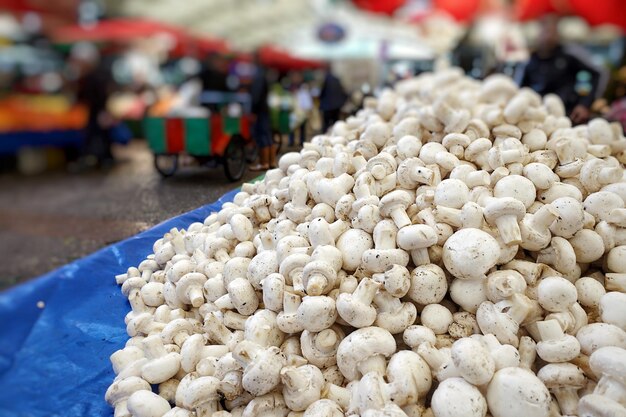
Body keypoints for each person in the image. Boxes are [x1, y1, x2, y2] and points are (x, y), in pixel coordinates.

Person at [517, 14, 603, 125]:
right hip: (538, 120)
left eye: (553, 32)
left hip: (568, 117)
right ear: (538, 33)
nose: (549, 36)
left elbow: (594, 75)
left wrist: (584, 104)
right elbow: (521, 90)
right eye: (546, 31)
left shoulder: (568, 56)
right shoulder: (530, 61)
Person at [72, 42, 115, 167]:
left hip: (98, 111)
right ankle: (102, 158)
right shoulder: (90, 75)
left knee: (99, 134)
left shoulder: (95, 76)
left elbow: (98, 95)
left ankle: (103, 158)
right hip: (95, 111)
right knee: (97, 135)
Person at [249, 54, 275, 171]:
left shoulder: (258, 75)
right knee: (267, 135)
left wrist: (253, 111)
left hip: (259, 110)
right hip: (264, 108)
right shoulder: (264, 74)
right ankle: (271, 162)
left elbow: (256, 95)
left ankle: (264, 163)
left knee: (261, 136)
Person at [319, 67, 347, 133]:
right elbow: (343, 92)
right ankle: (334, 134)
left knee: (326, 124)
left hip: (327, 106)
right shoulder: (337, 79)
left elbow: (322, 92)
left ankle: (325, 136)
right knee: (336, 124)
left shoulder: (326, 80)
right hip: (336, 106)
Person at [289, 82, 313, 147]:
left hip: (301, 114)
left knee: (301, 128)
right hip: (296, 114)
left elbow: (308, 105)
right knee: (293, 127)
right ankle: (292, 141)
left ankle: (300, 141)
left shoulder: (303, 94)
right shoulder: (295, 95)